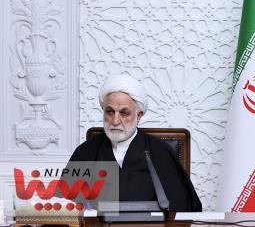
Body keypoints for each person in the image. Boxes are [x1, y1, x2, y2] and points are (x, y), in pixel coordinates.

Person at [68, 74, 202, 211]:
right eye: (110, 112)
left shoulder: (160, 151)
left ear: (138, 116)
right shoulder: (85, 151)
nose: (115, 121)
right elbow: (65, 209)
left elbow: (181, 207)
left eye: (124, 113)